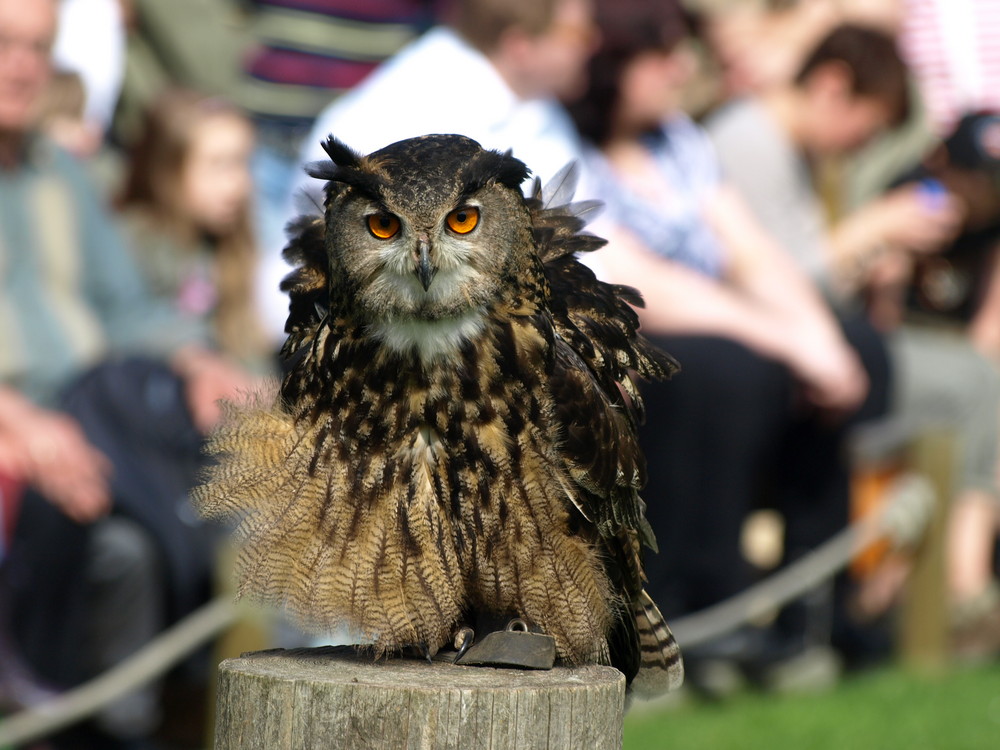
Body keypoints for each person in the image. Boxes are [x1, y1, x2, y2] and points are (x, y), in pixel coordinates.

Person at [565, 0, 890, 692]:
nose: (683, 69)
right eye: (662, 55)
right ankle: (699, 612)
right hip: (621, 351)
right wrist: (781, 338)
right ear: (611, 64)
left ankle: (812, 609)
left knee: (859, 352)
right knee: (727, 369)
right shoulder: (564, 145)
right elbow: (633, 279)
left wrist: (820, 343)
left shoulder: (678, 139)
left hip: (719, 329)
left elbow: (751, 252)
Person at [0, 0, 252, 742]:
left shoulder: (58, 174)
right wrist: (17, 420)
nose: (21, 65)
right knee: (123, 552)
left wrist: (201, 360)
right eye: (4, 43)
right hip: (31, 438)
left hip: (90, 417)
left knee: (236, 496)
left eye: (37, 48)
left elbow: (128, 309)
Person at [707, 24, 1000, 659]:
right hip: (773, 364)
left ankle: (946, 588)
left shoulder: (785, 147)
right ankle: (945, 593)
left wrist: (874, 261)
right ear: (833, 87)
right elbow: (764, 279)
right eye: (866, 125)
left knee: (976, 377)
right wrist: (871, 229)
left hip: (817, 353)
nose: (861, 144)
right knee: (971, 383)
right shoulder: (748, 139)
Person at [258, 0, 600, 336]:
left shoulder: (537, 102)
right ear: (520, 45)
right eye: (579, 33)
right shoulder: (413, 106)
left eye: (462, 220)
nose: (595, 42)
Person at [117, 88, 272, 372]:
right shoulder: (129, 243)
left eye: (244, 163)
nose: (239, 184)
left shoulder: (226, 247)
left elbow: (249, 353)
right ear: (167, 169)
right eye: (219, 165)